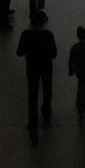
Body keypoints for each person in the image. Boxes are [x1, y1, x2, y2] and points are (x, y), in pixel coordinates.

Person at [16, 11, 57, 143]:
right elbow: (54, 54)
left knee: (32, 95)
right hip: (46, 67)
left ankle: (32, 123)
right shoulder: (48, 35)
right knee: (47, 91)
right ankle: (46, 111)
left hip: (32, 68)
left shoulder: (26, 35)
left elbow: (19, 52)